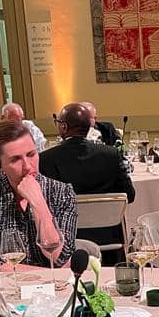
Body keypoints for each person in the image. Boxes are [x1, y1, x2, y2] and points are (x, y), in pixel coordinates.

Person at [0, 119, 77, 270]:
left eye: (31, 154)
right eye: (15, 159)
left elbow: (59, 257)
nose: (27, 166)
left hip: (56, 284)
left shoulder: (62, 192)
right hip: (8, 284)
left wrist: (38, 203)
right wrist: (48, 274)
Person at [40, 103, 134, 259]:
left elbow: (45, 204)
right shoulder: (111, 155)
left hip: (67, 242)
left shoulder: (46, 160)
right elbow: (130, 195)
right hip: (111, 241)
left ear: (64, 127)